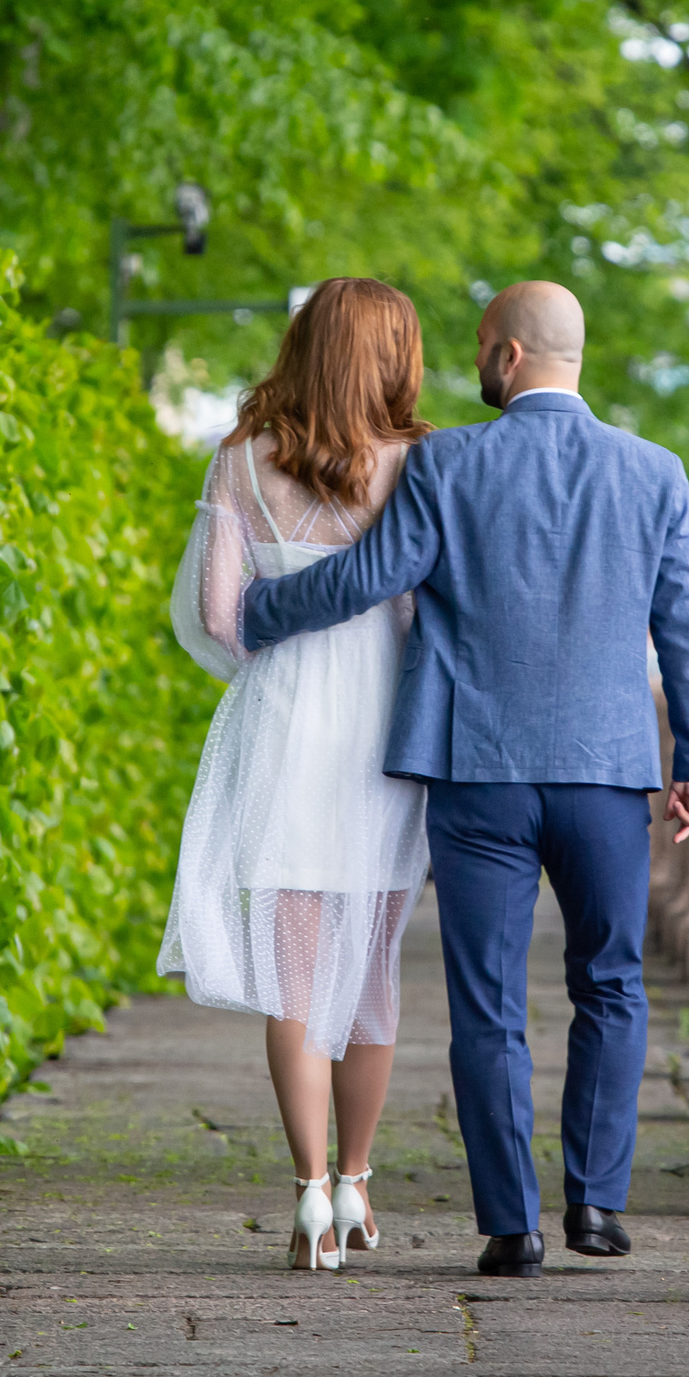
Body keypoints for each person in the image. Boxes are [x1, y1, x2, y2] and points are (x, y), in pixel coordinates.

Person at [237, 280, 689, 1278]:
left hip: (478, 773)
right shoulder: (654, 473)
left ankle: (513, 1227)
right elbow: (685, 628)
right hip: (605, 775)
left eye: (475, 347)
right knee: (610, 983)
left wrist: (260, 612)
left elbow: (371, 576)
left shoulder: (450, 461)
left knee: (489, 1002)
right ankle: (595, 1203)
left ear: (506, 358)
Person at [164, 277, 436, 1272]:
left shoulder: (241, 460)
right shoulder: (416, 464)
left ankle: (309, 1191)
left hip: (283, 720)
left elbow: (220, 616)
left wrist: (282, 670)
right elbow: (420, 618)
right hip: (380, 738)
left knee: (293, 971)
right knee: (370, 968)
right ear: (392, 355)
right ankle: (359, 1181)